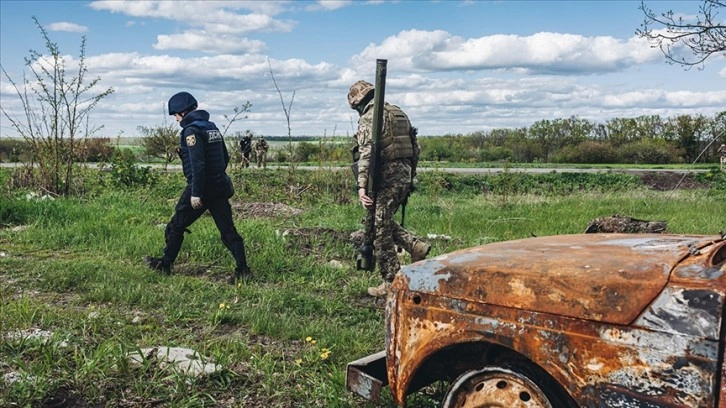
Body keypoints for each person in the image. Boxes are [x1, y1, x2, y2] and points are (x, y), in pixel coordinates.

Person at [145, 91, 252, 284]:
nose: (175, 119)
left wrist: (196, 193)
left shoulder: (191, 131)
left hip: (201, 187)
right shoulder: (212, 128)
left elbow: (198, 164)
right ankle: (243, 269)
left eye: (175, 115)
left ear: (183, 112)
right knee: (228, 230)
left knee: (176, 224)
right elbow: (224, 157)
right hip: (219, 185)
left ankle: (165, 264)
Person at [348, 80, 430, 298]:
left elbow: (366, 152)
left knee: (380, 232)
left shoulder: (370, 118)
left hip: (385, 177)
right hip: (403, 173)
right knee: (379, 221)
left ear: (359, 102)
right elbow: (415, 147)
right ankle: (415, 246)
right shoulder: (398, 113)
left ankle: (392, 282)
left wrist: (362, 186)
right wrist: (410, 175)